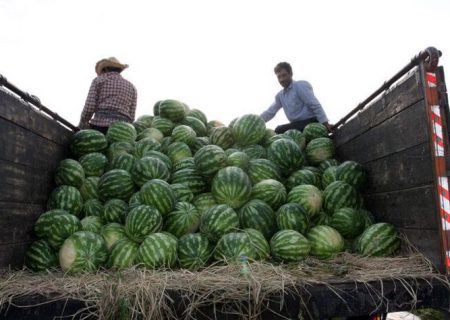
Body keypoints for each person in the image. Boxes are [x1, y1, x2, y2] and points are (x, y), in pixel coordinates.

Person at [260, 62, 333, 134]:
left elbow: (314, 104)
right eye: (279, 77)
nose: (281, 79)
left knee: (279, 130)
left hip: (312, 122)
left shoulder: (299, 86)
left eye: (284, 75)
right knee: (281, 131)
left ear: (291, 74)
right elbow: (270, 112)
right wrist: (256, 121)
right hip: (297, 125)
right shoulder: (280, 96)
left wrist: (324, 122)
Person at [78, 57, 137, 134]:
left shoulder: (99, 81)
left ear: (105, 69)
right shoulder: (132, 87)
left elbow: (89, 108)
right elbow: (132, 116)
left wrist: (83, 123)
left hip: (100, 126)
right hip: (122, 131)